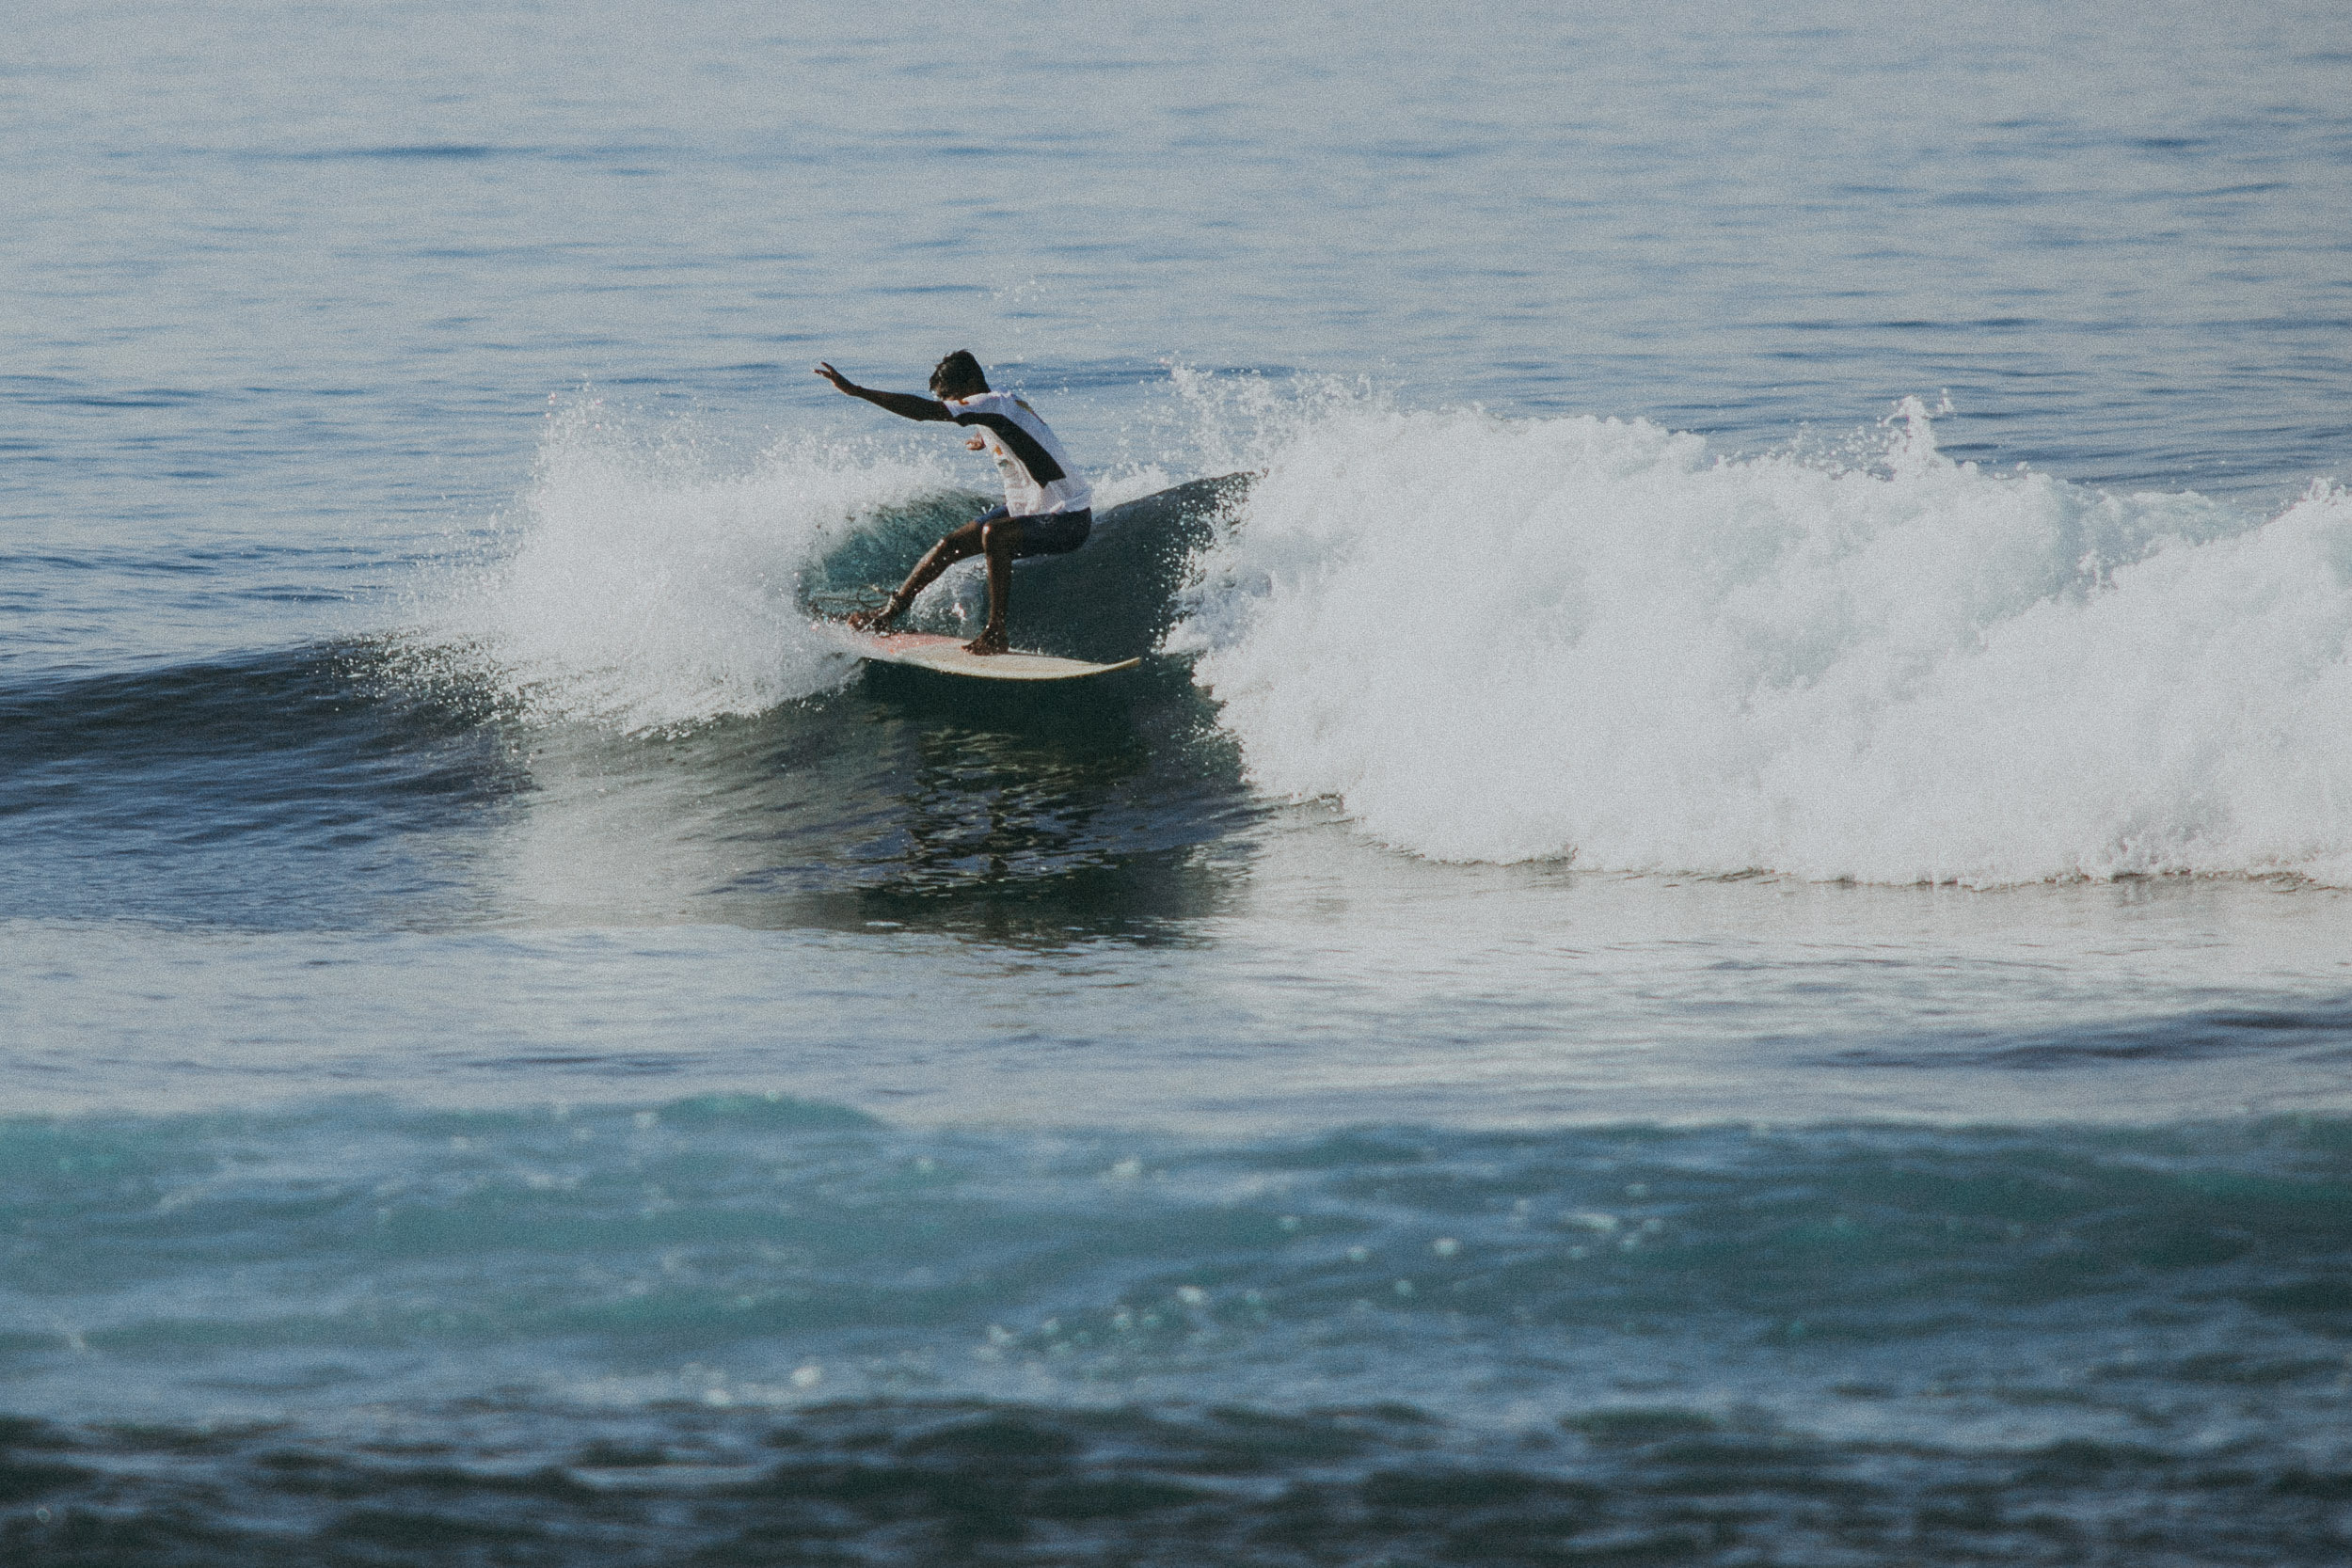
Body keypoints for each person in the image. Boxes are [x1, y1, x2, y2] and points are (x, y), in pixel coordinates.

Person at [815, 351, 1092, 654]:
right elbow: (1019, 429)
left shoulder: (993, 405)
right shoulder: (998, 410)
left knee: (994, 535)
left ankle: (996, 631)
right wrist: (985, 437)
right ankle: (886, 616)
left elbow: (923, 411)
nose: (949, 405)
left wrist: (858, 392)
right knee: (949, 545)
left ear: (972, 383)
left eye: (951, 397)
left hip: (1069, 520)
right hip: (1034, 512)